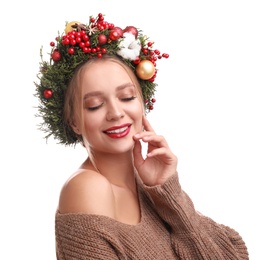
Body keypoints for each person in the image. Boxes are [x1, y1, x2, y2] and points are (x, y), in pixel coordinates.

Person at [35, 13, 249, 259]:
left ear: (142, 101)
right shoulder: (88, 188)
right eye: (94, 105)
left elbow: (233, 254)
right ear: (73, 121)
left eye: (127, 97)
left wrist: (169, 192)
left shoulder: (147, 184)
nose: (116, 113)